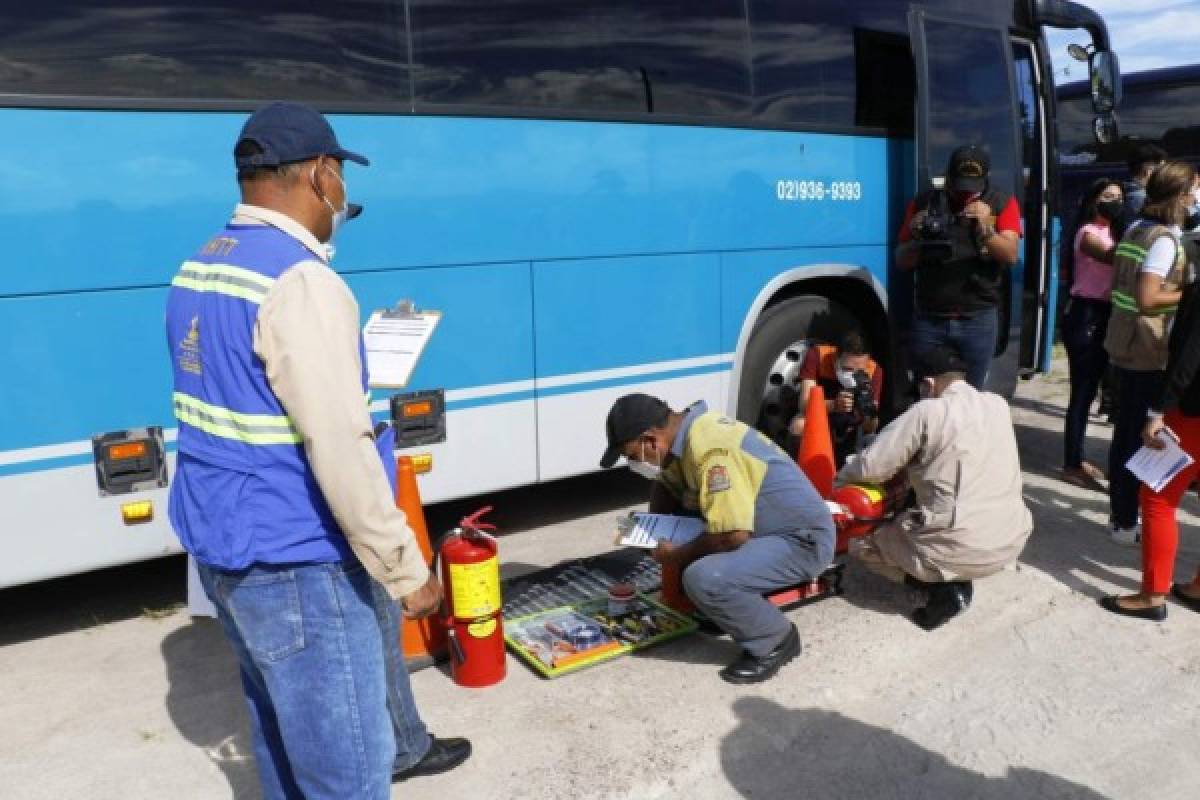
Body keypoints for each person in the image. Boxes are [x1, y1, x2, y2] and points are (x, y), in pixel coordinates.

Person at [165, 102, 469, 799]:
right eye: (340, 185)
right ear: (322, 174)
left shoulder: (201, 266)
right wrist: (405, 570)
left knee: (278, 749)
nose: (342, 203)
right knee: (347, 777)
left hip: (225, 550)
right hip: (300, 563)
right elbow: (339, 445)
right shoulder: (302, 280)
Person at [599, 394, 835, 684]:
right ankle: (724, 606)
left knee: (705, 579)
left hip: (802, 541)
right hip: (763, 531)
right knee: (688, 541)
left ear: (650, 440)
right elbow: (667, 485)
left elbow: (732, 535)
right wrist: (652, 530)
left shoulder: (712, 449)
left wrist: (675, 555)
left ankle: (775, 640)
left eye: (632, 456)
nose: (634, 463)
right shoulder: (680, 440)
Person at [836, 345, 1033, 630]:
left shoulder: (929, 410)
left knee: (860, 544)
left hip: (962, 547)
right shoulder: (997, 404)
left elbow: (871, 467)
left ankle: (942, 591)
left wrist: (837, 480)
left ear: (928, 384)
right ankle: (951, 568)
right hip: (1010, 540)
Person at [1103, 161, 1195, 546]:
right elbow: (1146, 296)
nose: (1195, 198)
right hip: (1147, 348)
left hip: (1124, 344)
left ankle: (1121, 517)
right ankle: (1126, 520)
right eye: (1193, 190)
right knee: (1137, 439)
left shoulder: (1136, 228)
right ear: (1178, 195)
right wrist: (1190, 294)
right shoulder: (1162, 240)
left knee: (1124, 434)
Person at [1101, 276, 1200, 621]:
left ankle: (1152, 595)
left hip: (1192, 412)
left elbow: (1190, 356)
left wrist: (1157, 411)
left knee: (1159, 496)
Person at [895, 144, 1023, 390]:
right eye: (959, 185)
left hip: (978, 317)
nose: (965, 194)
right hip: (930, 317)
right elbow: (901, 260)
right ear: (949, 177)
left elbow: (1010, 255)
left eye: (972, 188)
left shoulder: (1001, 202)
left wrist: (985, 227)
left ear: (985, 179)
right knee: (926, 393)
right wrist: (917, 235)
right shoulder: (925, 203)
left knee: (970, 397)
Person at [1061, 179, 1123, 491]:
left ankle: (1083, 458)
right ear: (1093, 201)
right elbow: (1115, 257)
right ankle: (1072, 462)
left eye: (1119, 197)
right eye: (1107, 197)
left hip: (1109, 313)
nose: (1114, 202)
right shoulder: (1087, 233)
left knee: (1106, 391)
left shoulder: (1116, 232)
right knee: (1082, 392)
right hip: (1086, 313)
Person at [788, 330, 883, 466]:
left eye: (859, 371)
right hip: (822, 418)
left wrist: (868, 411)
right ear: (836, 357)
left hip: (852, 427)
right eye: (848, 369)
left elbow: (870, 428)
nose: (852, 375)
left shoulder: (874, 371)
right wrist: (834, 405)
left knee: (875, 443)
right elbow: (804, 405)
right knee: (799, 425)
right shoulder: (818, 355)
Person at [1114, 143, 1167, 238]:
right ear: (1148, 171)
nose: (1165, 175)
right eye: (1162, 170)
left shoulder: (1128, 191)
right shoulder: (1139, 198)